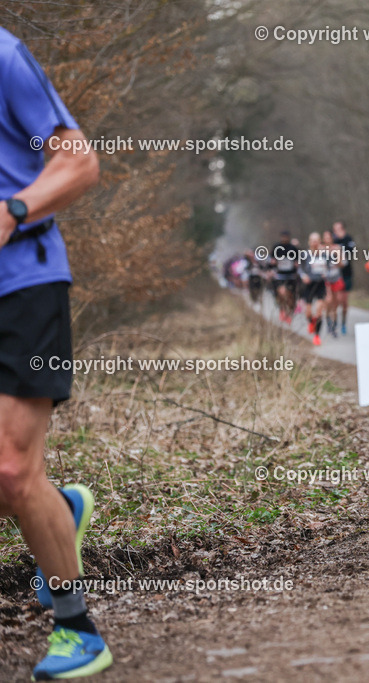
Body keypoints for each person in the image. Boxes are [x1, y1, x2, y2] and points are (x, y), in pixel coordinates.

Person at [0, 27, 113, 679]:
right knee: (13, 485)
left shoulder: (5, 57)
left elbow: (78, 162)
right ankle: (58, 511)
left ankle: (77, 628)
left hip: (24, 281)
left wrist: (14, 209)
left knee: (12, 469)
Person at [299, 232, 328, 345]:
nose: (314, 243)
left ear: (320, 241)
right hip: (309, 285)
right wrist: (304, 276)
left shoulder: (324, 254)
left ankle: (317, 336)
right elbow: (299, 269)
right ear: (309, 242)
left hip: (320, 284)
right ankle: (311, 322)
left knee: (319, 311)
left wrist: (327, 274)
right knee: (308, 313)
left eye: (316, 240)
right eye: (312, 240)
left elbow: (330, 267)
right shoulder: (305, 254)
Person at [331, 221, 356, 334]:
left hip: (346, 274)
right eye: (334, 230)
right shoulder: (333, 241)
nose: (336, 232)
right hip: (335, 275)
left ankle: (343, 323)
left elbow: (352, 252)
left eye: (338, 229)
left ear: (343, 229)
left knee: (344, 302)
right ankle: (334, 322)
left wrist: (339, 250)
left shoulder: (348, 239)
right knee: (336, 300)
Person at [270, 230, 299, 323]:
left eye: (286, 237)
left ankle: (289, 312)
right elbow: (272, 261)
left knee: (290, 296)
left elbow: (297, 261)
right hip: (280, 276)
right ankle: (282, 309)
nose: (284, 239)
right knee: (281, 293)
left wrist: (296, 265)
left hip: (291, 276)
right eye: (283, 237)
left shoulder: (293, 248)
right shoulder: (276, 248)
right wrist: (273, 264)